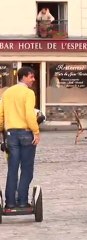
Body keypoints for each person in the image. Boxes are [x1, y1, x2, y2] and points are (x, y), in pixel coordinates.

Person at [0, 66, 40, 209]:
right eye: (31, 77)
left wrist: (1, 131)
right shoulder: (28, 93)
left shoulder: (7, 93)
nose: (33, 80)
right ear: (23, 77)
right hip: (25, 133)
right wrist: (36, 131)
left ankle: (10, 202)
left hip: (10, 134)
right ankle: (22, 201)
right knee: (27, 168)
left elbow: (1, 114)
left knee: (12, 168)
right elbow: (30, 114)